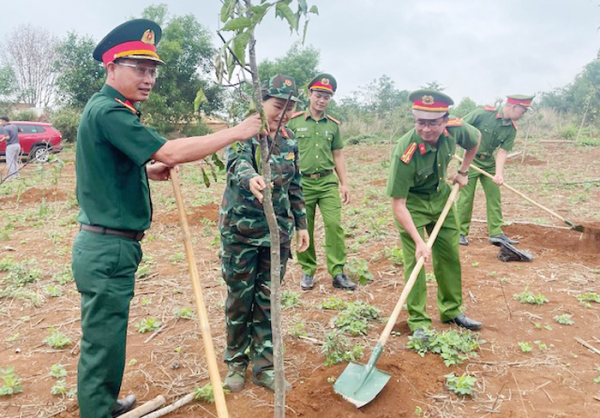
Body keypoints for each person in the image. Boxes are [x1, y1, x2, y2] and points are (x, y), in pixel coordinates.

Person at [72, 19, 261, 418]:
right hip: (108, 248)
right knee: (102, 340)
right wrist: (235, 132)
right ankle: (97, 412)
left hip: (110, 244)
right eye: (139, 69)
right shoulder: (110, 111)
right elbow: (171, 151)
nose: (149, 78)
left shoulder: (111, 110)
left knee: (109, 336)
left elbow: (109, 166)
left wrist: (145, 170)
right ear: (111, 68)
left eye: (153, 70)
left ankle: (104, 403)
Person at [219, 74, 310, 393]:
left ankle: (264, 367)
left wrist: (301, 224)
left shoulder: (289, 140)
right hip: (241, 232)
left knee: (268, 300)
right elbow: (236, 166)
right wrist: (252, 178)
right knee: (239, 300)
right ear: (261, 103)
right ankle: (235, 363)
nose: (282, 112)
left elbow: (295, 185)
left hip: (276, 236)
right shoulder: (245, 133)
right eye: (276, 105)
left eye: (288, 107)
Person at [386, 89, 482, 340]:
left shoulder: (456, 129)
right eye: (420, 123)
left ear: (445, 121)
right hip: (413, 205)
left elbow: (476, 139)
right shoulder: (405, 151)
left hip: (441, 199)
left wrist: (464, 170)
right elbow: (399, 204)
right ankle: (418, 321)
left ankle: (451, 310)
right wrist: (419, 242)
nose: (426, 130)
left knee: (449, 255)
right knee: (417, 262)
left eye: (432, 124)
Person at [287, 73, 356, 291]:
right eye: (318, 95)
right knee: (303, 227)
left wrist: (344, 183)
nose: (322, 100)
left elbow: (337, 156)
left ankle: (337, 272)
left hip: (327, 183)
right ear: (309, 95)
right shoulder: (294, 122)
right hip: (302, 184)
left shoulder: (333, 126)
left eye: (327, 97)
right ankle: (308, 270)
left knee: (334, 225)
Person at [457, 95, 534, 246]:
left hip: (488, 163)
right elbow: (459, 126)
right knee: (466, 197)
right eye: (522, 111)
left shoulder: (511, 129)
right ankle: (459, 232)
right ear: (514, 107)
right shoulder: (483, 114)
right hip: (469, 160)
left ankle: (496, 233)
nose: (522, 115)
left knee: (494, 196)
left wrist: (499, 173)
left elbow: (502, 152)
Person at [0, 116, 21, 181]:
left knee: (10, 162)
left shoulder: (5, 128)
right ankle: (16, 175)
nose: (0, 122)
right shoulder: (14, 126)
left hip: (11, 146)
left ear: (4, 121)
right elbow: (20, 130)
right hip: (17, 145)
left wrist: (1, 140)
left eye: (0, 121)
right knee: (15, 161)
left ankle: (12, 177)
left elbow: (8, 137)